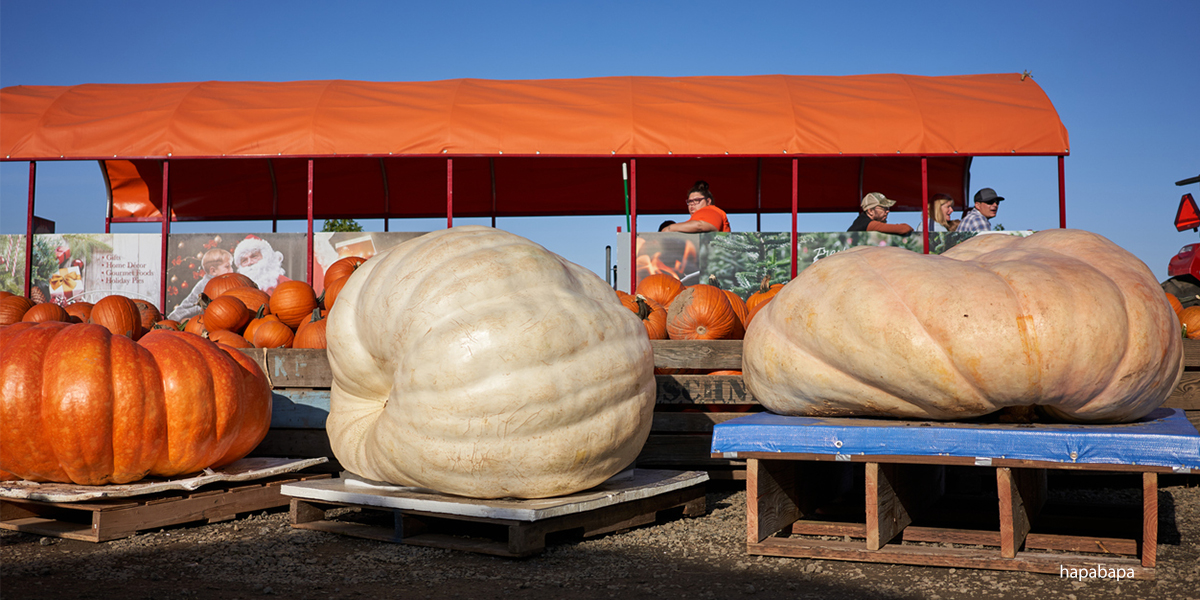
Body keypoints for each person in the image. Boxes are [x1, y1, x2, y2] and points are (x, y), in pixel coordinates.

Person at [167, 248, 234, 321]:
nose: (231, 270)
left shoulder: (223, 281)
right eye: (227, 266)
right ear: (213, 271)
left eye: (231, 266)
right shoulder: (207, 284)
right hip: (193, 311)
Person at [660, 181, 731, 233]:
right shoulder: (692, 221)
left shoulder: (711, 210)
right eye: (690, 201)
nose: (692, 204)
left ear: (708, 201)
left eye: (697, 200)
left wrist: (669, 228)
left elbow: (699, 226)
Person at [847, 192, 913, 235]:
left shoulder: (861, 222)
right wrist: (907, 227)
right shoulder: (868, 224)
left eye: (888, 208)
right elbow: (904, 229)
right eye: (883, 208)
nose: (887, 211)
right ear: (870, 211)